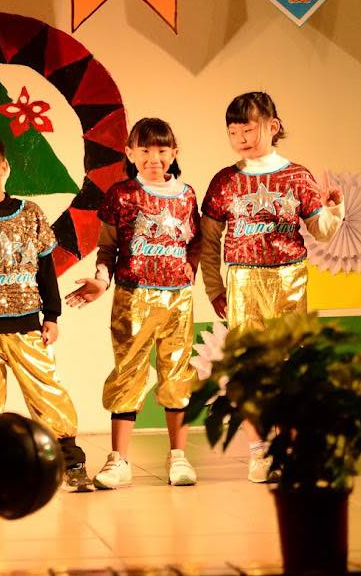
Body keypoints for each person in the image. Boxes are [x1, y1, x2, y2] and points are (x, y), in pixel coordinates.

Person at [199, 92, 344, 482]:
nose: (241, 139)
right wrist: (214, 288)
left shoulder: (297, 177)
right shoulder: (225, 181)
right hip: (243, 283)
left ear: (272, 126)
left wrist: (334, 207)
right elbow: (208, 242)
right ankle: (259, 451)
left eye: (248, 129)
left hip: (289, 281)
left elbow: (321, 231)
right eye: (233, 132)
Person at [0, 133, 91, 492]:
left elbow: (46, 270)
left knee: (46, 389)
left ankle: (70, 462)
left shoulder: (31, 214)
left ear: (4, 167)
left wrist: (51, 316)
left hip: (25, 324)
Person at [66, 118, 201, 488]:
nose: (153, 158)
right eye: (144, 150)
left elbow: (196, 241)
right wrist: (101, 279)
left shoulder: (187, 195)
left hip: (177, 300)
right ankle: (119, 460)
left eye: (161, 150)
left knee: (176, 375)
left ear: (174, 152)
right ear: (129, 153)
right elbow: (107, 247)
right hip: (133, 298)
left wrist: (189, 271)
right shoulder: (121, 195)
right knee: (128, 372)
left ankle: (178, 457)